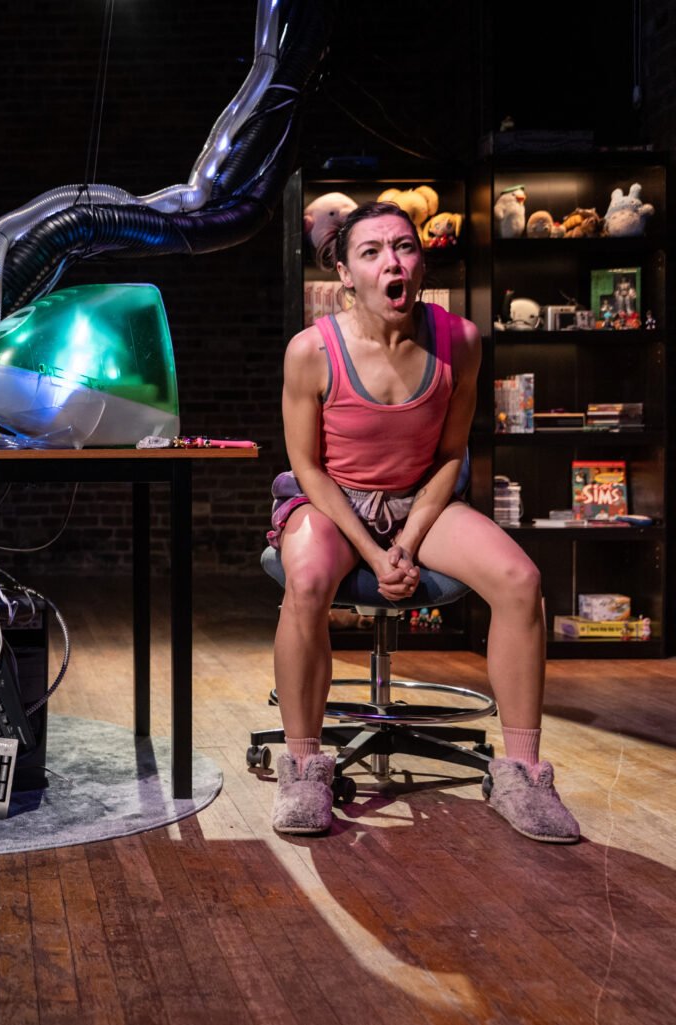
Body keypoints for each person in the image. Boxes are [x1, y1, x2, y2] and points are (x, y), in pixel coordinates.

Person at [266, 201, 578, 843]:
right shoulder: (311, 351)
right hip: (332, 501)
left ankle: (520, 771)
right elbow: (308, 466)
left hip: (421, 500)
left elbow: (451, 456)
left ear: (421, 261)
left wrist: (405, 541)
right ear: (346, 274)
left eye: (403, 247)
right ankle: (303, 766)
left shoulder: (459, 340)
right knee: (305, 583)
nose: (392, 261)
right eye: (372, 251)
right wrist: (376, 555)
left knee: (521, 580)